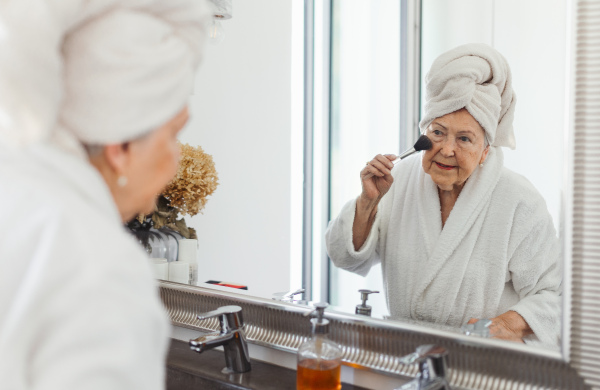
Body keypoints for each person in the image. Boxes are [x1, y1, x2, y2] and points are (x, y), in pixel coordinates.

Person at [0, 1, 209, 388]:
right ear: (121, 146)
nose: (176, 159)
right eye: (172, 136)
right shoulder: (99, 266)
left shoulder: (16, 202)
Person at [325, 43, 562, 348]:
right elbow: (343, 257)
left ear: (485, 151)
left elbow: (555, 296)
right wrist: (368, 202)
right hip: (406, 354)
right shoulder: (398, 180)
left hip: (483, 363)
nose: (447, 150)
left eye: (464, 139)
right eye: (438, 132)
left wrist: (503, 326)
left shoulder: (519, 200)